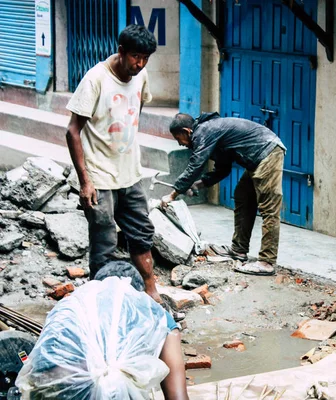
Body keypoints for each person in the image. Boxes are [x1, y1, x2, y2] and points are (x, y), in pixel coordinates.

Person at [65, 24, 161, 302]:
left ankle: (151, 291)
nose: (140, 64)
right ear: (121, 51)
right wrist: (85, 180)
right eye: (135, 57)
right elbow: (72, 130)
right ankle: (100, 302)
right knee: (104, 243)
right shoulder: (96, 79)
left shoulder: (141, 76)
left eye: (145, 58)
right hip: (100, 179)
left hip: (130, 175)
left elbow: (136, 112)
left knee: (142, 234)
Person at [16, 261, 189, 400]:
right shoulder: (157, 317)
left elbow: (41, 369)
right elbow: (177, 396)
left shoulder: (70, 310)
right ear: (139, 296)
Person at [161, 112, 286, 276]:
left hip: (267, 153)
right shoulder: (211, 133)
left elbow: (195, 165)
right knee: (243, 196)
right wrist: (200, 184)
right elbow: (223, 168)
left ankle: (267, 262)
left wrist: (173, 194)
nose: (181, 144)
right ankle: (238, 250)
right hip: (257, 157)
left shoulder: (203, 132)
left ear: (187, 131)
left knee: (268, 208)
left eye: (179, 139)